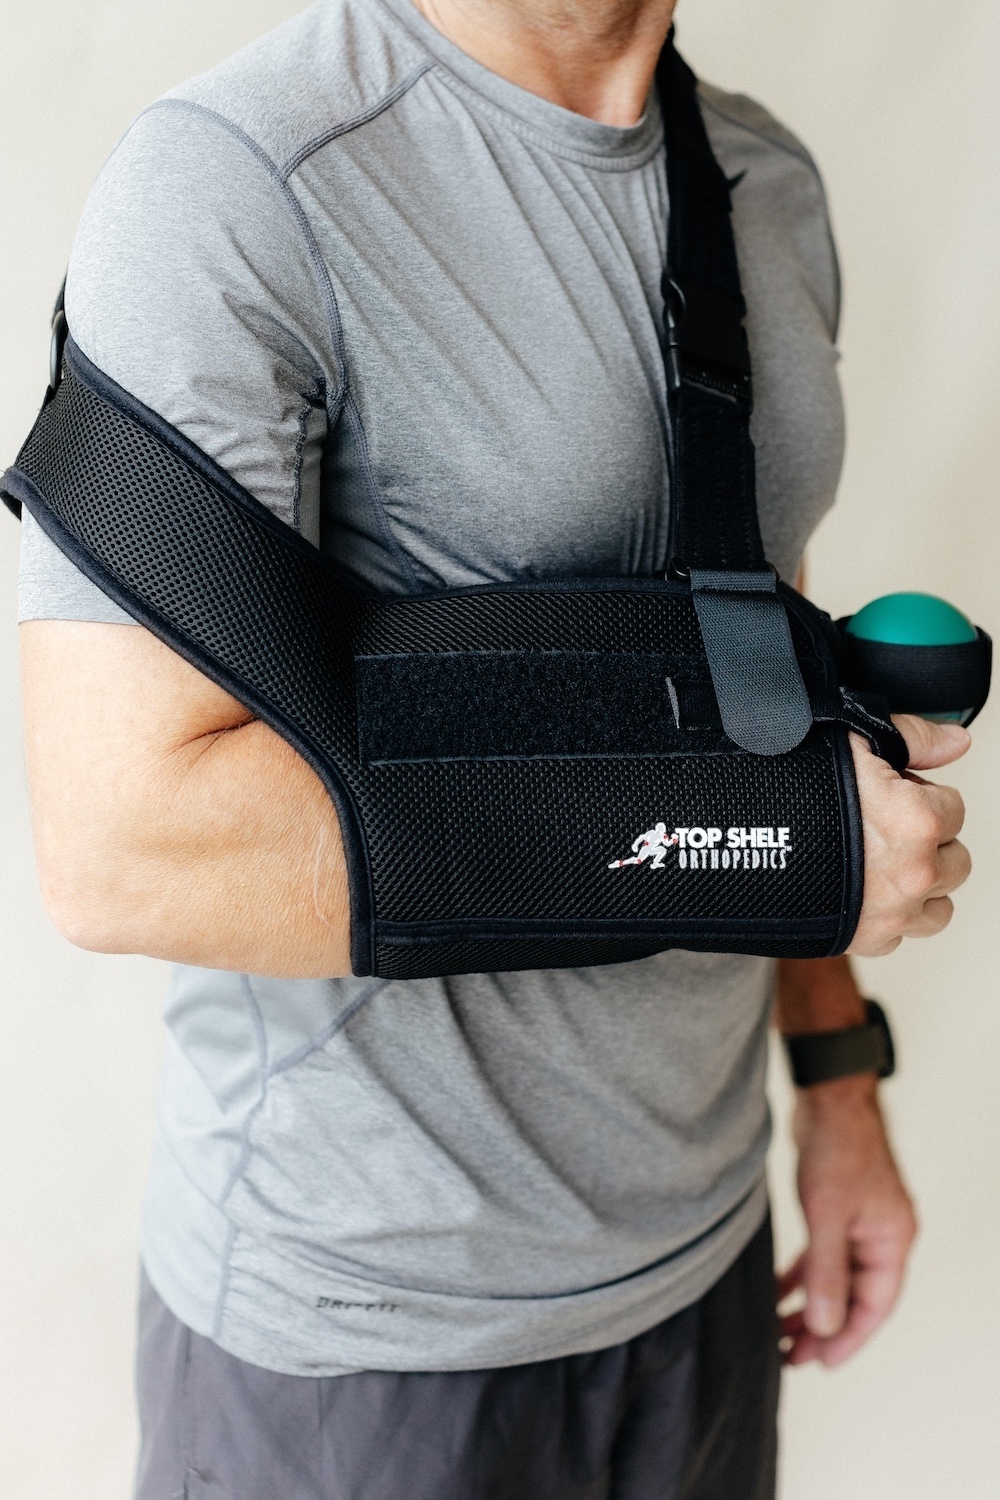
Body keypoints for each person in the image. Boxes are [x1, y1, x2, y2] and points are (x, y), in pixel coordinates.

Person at [16, 0, 972, 1494]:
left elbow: (752, 676)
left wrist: (837, 1079)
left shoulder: (764, 181)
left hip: (702, 1264)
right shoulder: (242, 178)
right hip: (371, 1331)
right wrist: (781, 851)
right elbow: (126, 846)